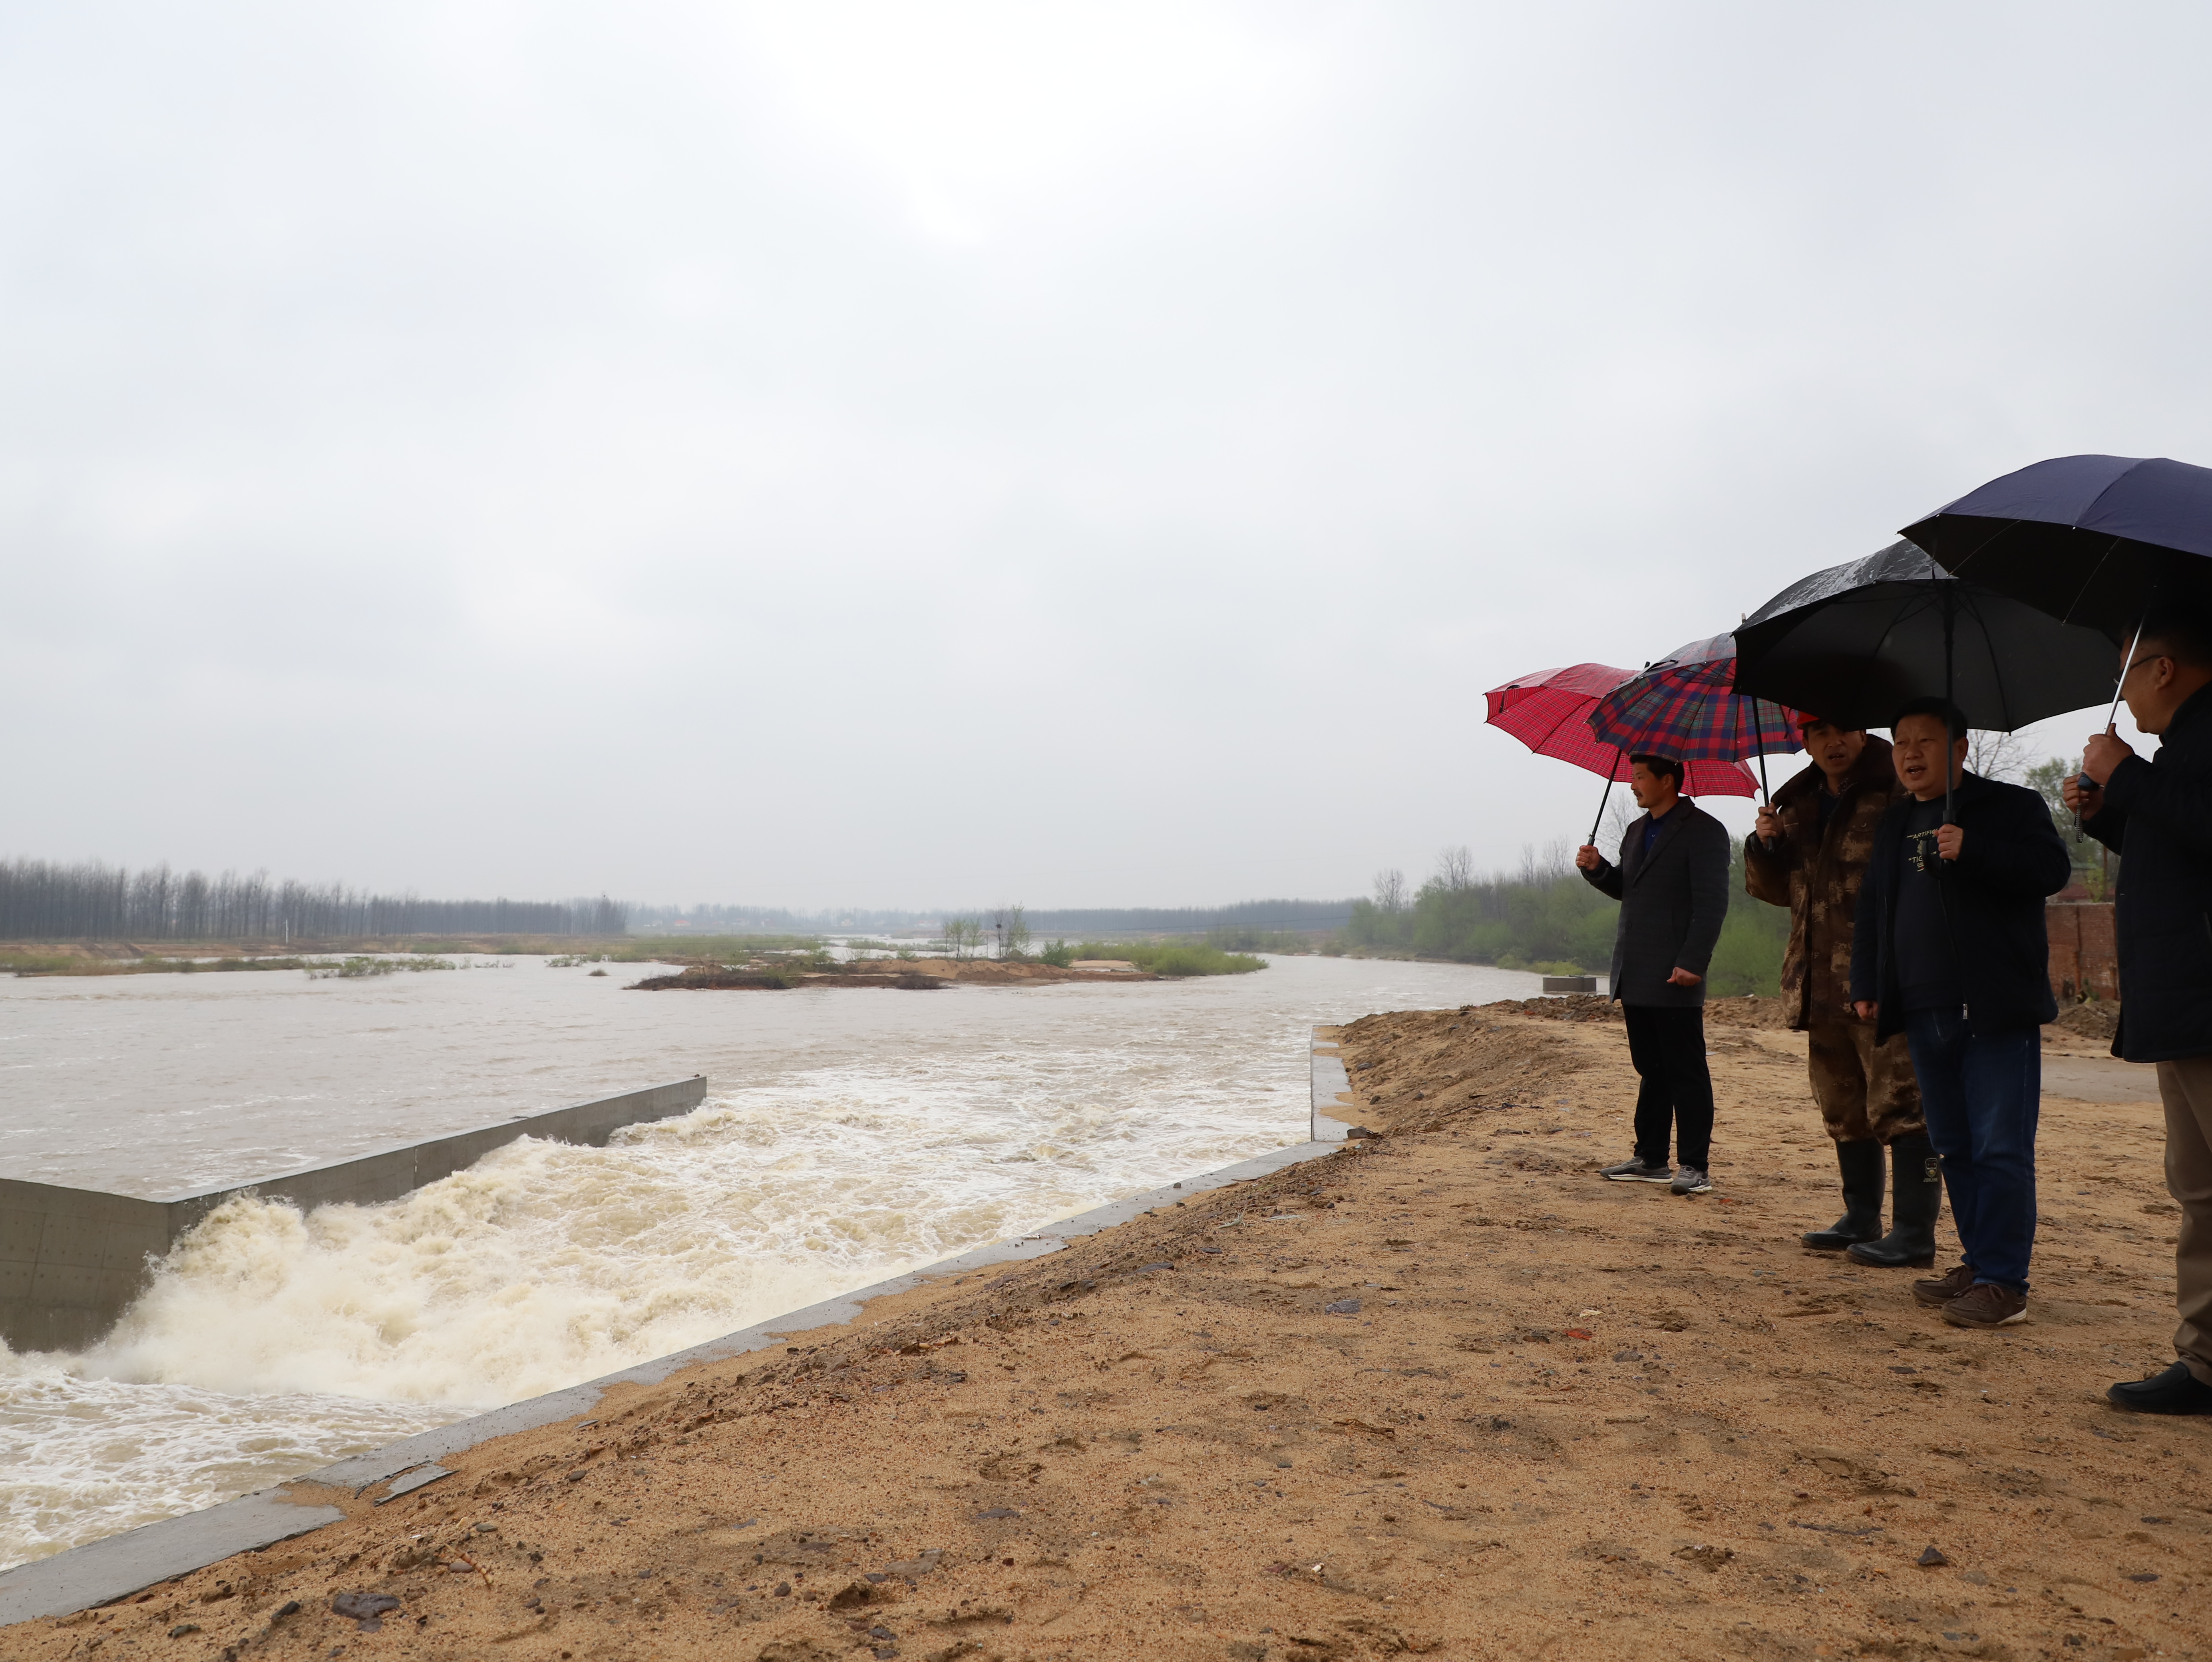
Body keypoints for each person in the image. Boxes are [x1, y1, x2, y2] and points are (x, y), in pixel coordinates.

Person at [1851, 698, 2071, 1329]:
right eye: (1901, 743)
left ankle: (2006, 1283)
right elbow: (1873, 908)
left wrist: (1974, 850)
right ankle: (1979, 1263)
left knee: (2001, 1147)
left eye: (1926, 741)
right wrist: (1867, 980)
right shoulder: (1895, 824)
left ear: (1961, 748)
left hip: (1995, 1007)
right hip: (1923, 1006)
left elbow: (2049, 871)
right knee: (1954, 1146)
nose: (1911, 754)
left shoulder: (2012, 808)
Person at [2065, 608, 2212, 1415]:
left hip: (2202, 995)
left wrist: (2126, 776)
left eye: (2124, 674)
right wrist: (2109, 812)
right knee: (2197, 1189)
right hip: (2181, 1001)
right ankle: (2203, 1362)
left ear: (2163, 669)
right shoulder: (2178, 750)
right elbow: (2178, 845)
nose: (2119, 700)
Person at [1746, 716, 1933, 1260]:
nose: (1834, 742)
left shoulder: (1897, 790)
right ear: (1803, 740)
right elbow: (1775, 891)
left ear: (1863, 732)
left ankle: (1915, 1234)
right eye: (1819, 731)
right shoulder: (1797, 804)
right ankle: (1861, 1217)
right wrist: (1766, 847)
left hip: (1884, 977)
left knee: (1902, 1103)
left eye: (1844, 728)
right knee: (1841, 1104)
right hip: (1818, 979)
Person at [1575, 753, 1732, 1196]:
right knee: (1651, 1066)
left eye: (1640, 777)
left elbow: (1711, 903)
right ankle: (1650, 1157)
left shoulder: (1705, 830)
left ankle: (1695, 1165)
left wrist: (1693, 961)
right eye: (1631, 777)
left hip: (1675, 971)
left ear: (1668, 780)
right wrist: (1598, 870)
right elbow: (1629, 887)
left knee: (1686, 1068)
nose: (1632, 785)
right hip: (1635, 969)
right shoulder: (1636, 830)